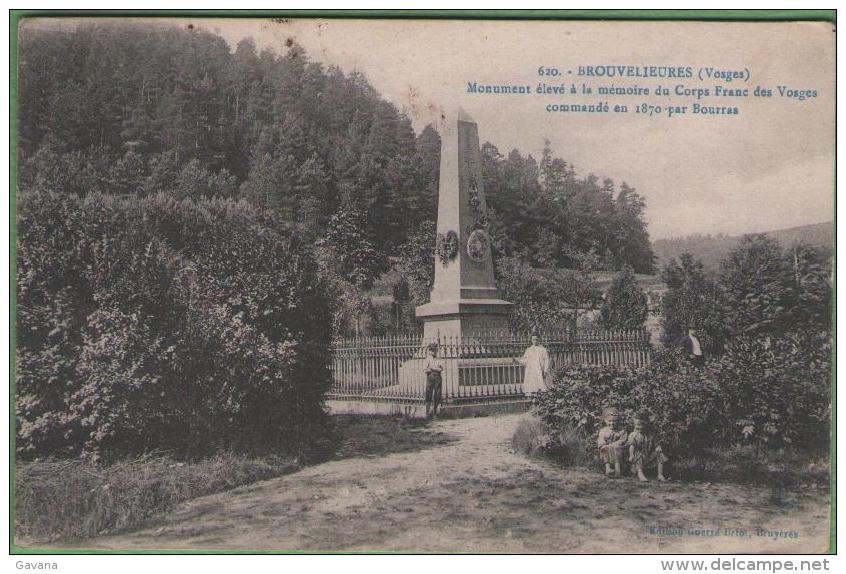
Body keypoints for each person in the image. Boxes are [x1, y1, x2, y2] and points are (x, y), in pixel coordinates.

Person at [628, 413, 669, 482]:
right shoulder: (633, 435)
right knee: (639, 453)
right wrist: (631, 455)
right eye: (636, 425)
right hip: (636, 460)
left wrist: (658, 448)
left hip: (648, 457)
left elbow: (656, 444)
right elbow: (632, 446)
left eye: (639, 425)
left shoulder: (651, 434)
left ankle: (660, 474)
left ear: (645, 425)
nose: (637, 427)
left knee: (659, 454)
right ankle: (640, 474)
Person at [597, 407, 628, 478]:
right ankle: (608, 469)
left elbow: (622, 440)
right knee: (604, 449)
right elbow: (601, 441)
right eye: (609, 421)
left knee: (616, 448)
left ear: (618, 421)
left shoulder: (622, 430)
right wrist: (603, 446)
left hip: (618, 450)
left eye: (615, 421)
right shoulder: (603, 431)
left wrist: (612, 445)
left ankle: (618, 470)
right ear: (605, 421)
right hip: (607, 451)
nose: (612, 423)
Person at [423, 343, 444, 419]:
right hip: (430, 378)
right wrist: (433, 369)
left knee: (437, 395)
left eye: (435, 350)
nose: (434, 352)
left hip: (438, 378)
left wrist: (432, 368)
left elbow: (441, 368)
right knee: (428, 394)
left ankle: (435, 413)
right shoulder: (427, 359)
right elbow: (425, 370)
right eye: (432, 350)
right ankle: (427, 413)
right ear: (429, 351)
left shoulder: (438, 359)